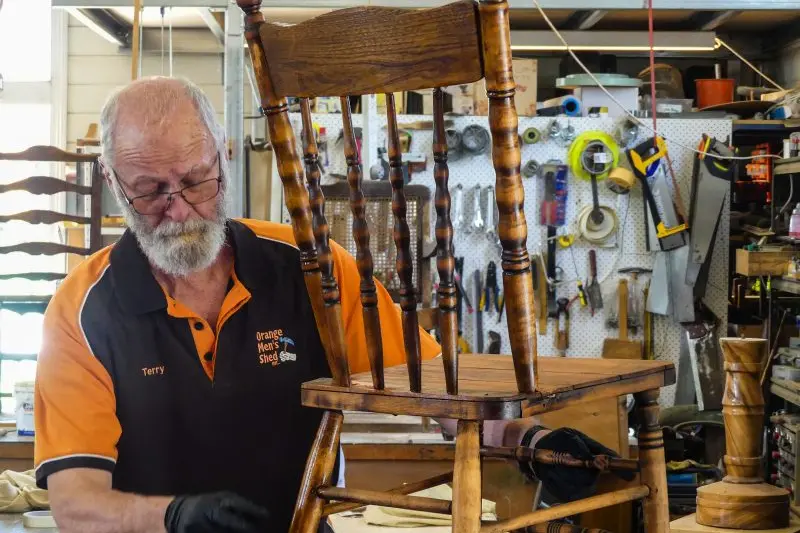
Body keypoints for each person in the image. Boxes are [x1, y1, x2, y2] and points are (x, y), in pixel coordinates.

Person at [34, 77, 624, 533]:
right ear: (114, 183)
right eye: (150, 192)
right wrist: (174, 517)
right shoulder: (82, 312)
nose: (180, 208)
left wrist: (531, 442)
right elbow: (76, 504)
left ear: (225, 156)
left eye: (195, 179)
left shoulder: (313, 271)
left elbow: (442, 399)